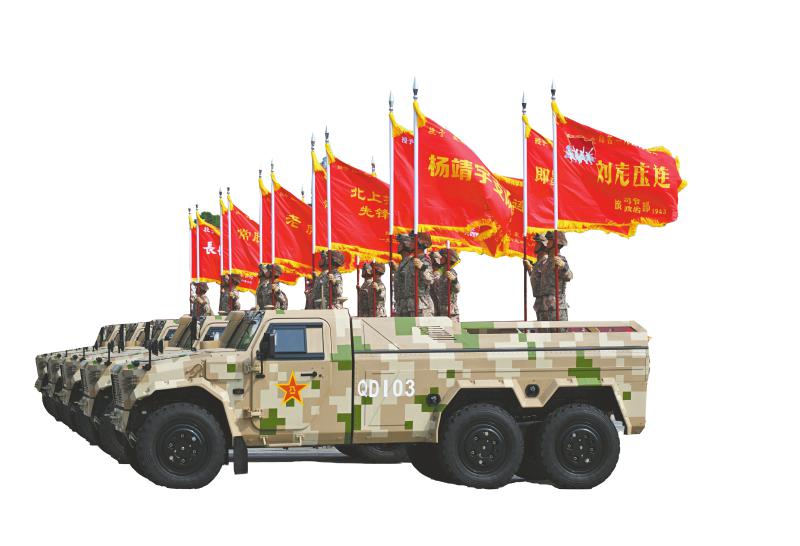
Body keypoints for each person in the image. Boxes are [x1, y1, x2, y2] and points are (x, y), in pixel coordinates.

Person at [525, 231, 572, 321]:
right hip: (544, 307)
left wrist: (563, 266)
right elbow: (539, 280)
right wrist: (530, 269)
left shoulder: (560, 259)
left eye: (550, 241)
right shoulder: (545, 263)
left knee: (558, 330)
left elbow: (569, 276)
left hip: (557, 307)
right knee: (544, 330)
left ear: (556, 243)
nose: (547, 243)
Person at [394, 232, 434, 316]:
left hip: (422, 305)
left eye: (412, 241)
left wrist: (422, 267)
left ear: (419, 243)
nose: (410, 243)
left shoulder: (424, 260)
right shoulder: (410, 261)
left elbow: (430, 279)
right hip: (410, 304)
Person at [433, 248, 460, 321]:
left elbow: (457, 289)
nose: (440, 259)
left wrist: (454, 280)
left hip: (451, 312)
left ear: (447, 259)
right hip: (441, 311)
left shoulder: (451, 272)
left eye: (442, 257)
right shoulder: (442, 273)